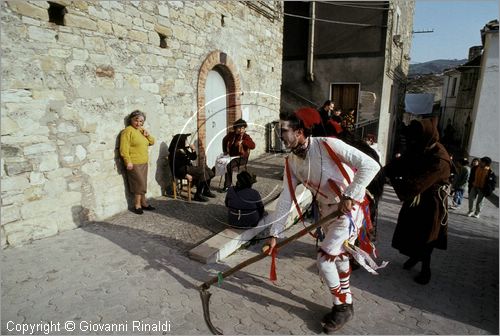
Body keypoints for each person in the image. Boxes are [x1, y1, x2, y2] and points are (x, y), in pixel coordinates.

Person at [265, 107, 382, 333]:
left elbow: (371, 165)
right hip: (326, 213)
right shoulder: (290, 161)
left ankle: (342, 306)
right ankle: (345, 300)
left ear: (299, 132)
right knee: (338, 257)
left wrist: (350, 194)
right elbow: (285, 200)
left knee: (325, 257)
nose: (280, 136)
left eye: (284, 131)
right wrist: (274, 234)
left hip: (349, 209)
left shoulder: (329, 145)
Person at [384, 118, 452, 285]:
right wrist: (383, 171)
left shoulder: (439, 160)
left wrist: (393, 179)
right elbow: (403, 161)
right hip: (418, 199)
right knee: (410, 231)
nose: (412, 143)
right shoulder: (422, 147)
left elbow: (415, 185)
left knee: (426, 236)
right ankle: (415, 257)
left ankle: (425, 269)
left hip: (431, 203)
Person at [119, 110, 156, 214]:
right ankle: (137, 205)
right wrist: (128, 161)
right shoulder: (127, 131)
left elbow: (152, 142)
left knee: (143, 183)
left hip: (144, 162)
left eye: (141, 121)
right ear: (131, 119)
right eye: (136, 120)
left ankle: (144, 203)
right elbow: (123, 149)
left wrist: (147, 134)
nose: (138, 123)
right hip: (134, 163)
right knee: (139, 184)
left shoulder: (141, 130)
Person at [168, 133, 215, 202]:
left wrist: (193, 150)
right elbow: (175, 167)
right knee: (202, 172)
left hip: (188, 168)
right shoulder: (174, 153)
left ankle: (206, 190)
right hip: (182, 171)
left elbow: (193, 157)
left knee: (208, 171)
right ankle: (198, 195)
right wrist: (185, 175)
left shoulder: (183, 149)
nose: (186, 141)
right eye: (185, 140)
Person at [221, 119, 255, 192]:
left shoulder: (246, 136)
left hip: (241, 158)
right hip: (231, 156)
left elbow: (253, 145)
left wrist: (243, 142)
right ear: (235, 128)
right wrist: (225, 151)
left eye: (243, 128)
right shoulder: (231, 134)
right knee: (220, 162)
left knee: (229, 165)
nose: (241, 130)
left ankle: (227, 186)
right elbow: (224, 140)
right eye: (239, 128)